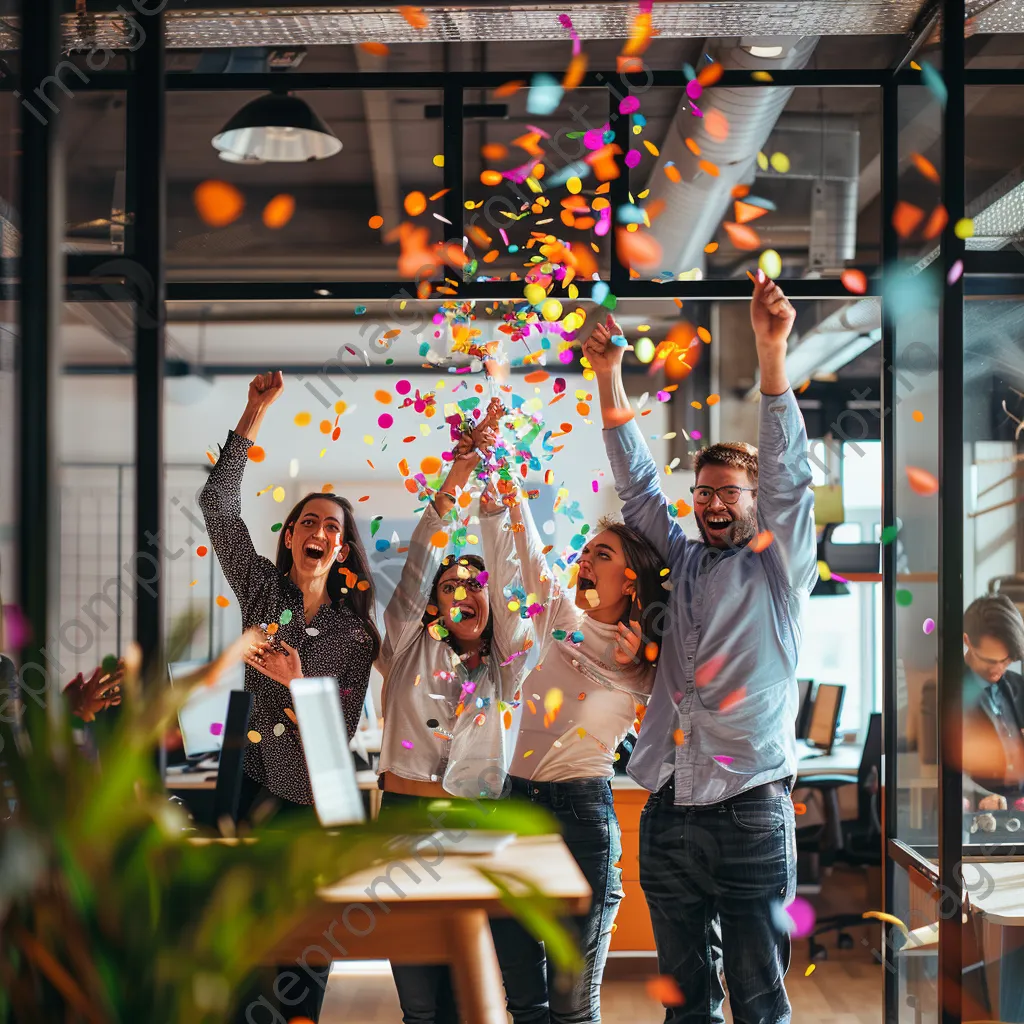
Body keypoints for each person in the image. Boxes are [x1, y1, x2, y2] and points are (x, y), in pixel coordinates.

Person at [582, 273, 818, 1024]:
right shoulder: (682, 563)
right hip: (669, 810)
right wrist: (608, 373)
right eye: (704, 492)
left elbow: (789, 478)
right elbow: (638, 487)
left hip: (750, 809)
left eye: (730, 493)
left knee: (756, 999)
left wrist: (771, 353)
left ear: (754, 502)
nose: (713, 503)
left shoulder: (779, 570)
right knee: (684, 1003)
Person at [198, 370, 381, 1024]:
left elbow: (338, 744)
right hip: (248, 790)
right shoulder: (263, 596)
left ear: (341, 550)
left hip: (311, 806)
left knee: (303, 958)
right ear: (291, 536)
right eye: (309, 521)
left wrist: (301, 687)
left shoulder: (354, 635)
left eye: (332, 527)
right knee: (243, 953)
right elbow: (217, 505)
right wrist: (253, 410)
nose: (319, 531)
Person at [377, 397, 531, 1024]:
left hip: (478, 823)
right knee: (419, 999)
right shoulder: (406, 647)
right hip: (405, 820)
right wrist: (460, 473)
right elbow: (419, 562)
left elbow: (511, 571)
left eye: (476, 586)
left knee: (475, 993)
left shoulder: (511, 663)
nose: (464, 592)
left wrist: (497, 477)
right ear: (433, 603)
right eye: (450, 586)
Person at [485, 478, 662, 1024]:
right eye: (585, 552)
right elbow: (528, 550)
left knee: (571, 1005)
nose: (585, 561)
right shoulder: (559, 616)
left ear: (631, 582)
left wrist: (654, 669)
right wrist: (508, 490)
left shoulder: (652, 659)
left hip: (583, 819)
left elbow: (690, 719)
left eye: (601, 555)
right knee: (523, 1000)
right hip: (512, 809)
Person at [961, 593, 1024, 811]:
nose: (999, 668)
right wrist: (980, 797)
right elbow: (939, 769)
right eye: (990, 660)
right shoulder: (946, 694)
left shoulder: (1018, 686)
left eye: (1006, 660)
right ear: (967, 641)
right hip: (978, 813)